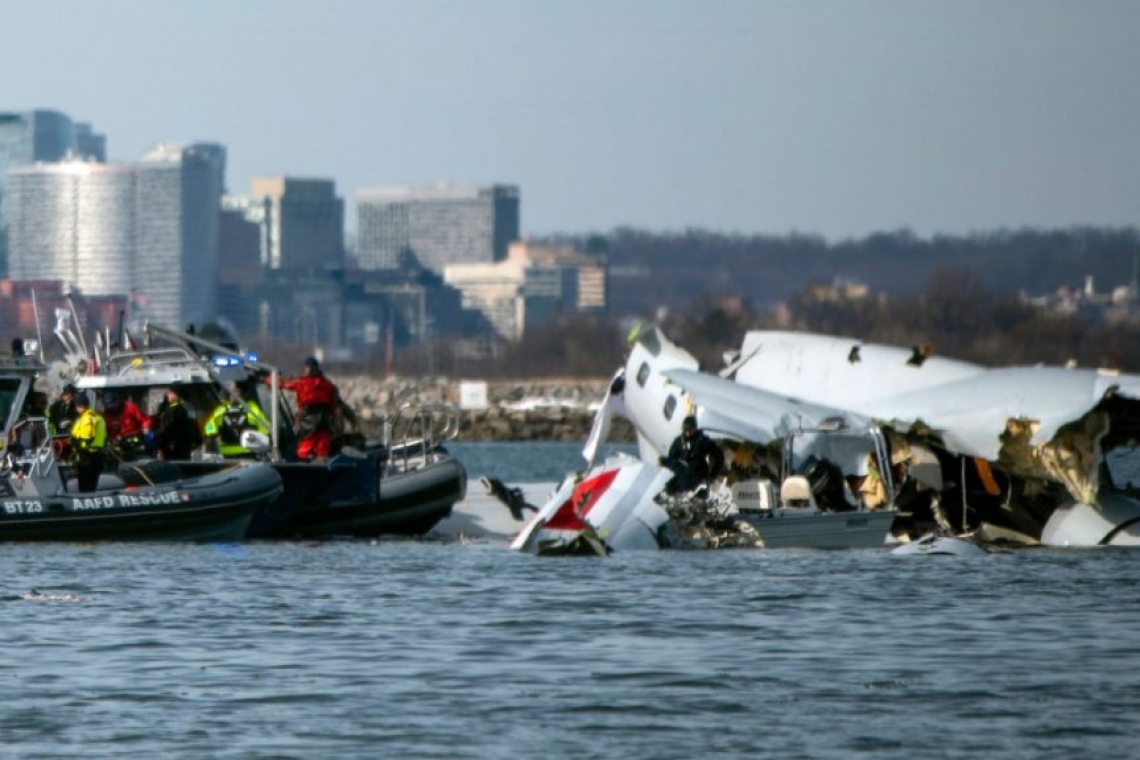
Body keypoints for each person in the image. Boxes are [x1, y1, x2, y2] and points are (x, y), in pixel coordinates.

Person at [277, 357, 339, 460]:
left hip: (310, 419)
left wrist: (267, 379)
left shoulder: (302, 383)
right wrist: (333, 418)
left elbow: (283, 384)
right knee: (322, 447)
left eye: (306, 368)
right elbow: (333, 403)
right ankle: (321, 465)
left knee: (305, 445)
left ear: (308, 369)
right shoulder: (327, 384)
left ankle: (303, 464)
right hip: (325, 418)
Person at [660, 415, 725, 494]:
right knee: (670, 488)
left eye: (690, 429)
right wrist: (666, 462)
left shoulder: (703, 440)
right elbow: (672, 459)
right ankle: (674, 490)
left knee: (687, 487)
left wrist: (712, 476)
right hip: (684, 473)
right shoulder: (679, 441)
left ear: (694, 429)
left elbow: (719, 457)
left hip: (698, 475)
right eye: (685, 429)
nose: (687, 432)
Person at [203, 391, 270, 458]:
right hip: (248, 452)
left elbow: (208, 431)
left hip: (227, 454)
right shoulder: (252, 408)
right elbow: (266, 429)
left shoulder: (220, 410)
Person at [69, 393, 107, 493]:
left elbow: (87, 438)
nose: (76, 409)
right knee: (92, 484)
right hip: (97, 456)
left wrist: (75, 442)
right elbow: (104, 437)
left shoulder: (86, 419)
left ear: (80, 406)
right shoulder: (98, 418)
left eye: (77, 406)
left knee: (84, 486)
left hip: (87, 458)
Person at [154, 388, 201, 460]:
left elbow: (166, 429)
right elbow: (195, 426)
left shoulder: (173, 410)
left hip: (174, 448)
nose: (167, 395)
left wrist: (159, 444)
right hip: (187, 447)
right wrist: (197, 441)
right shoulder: (188, 408)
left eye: (169, 393)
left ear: (176, 394)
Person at [101, 391, 151, 460]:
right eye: (109, 407)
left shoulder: (130, 407)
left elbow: (145, 420)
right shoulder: (104, 416)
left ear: (117, 401)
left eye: (113, 406)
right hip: (116, 444)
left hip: (133, 440)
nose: (112, 409)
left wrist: (145, 428)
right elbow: (104, 432)